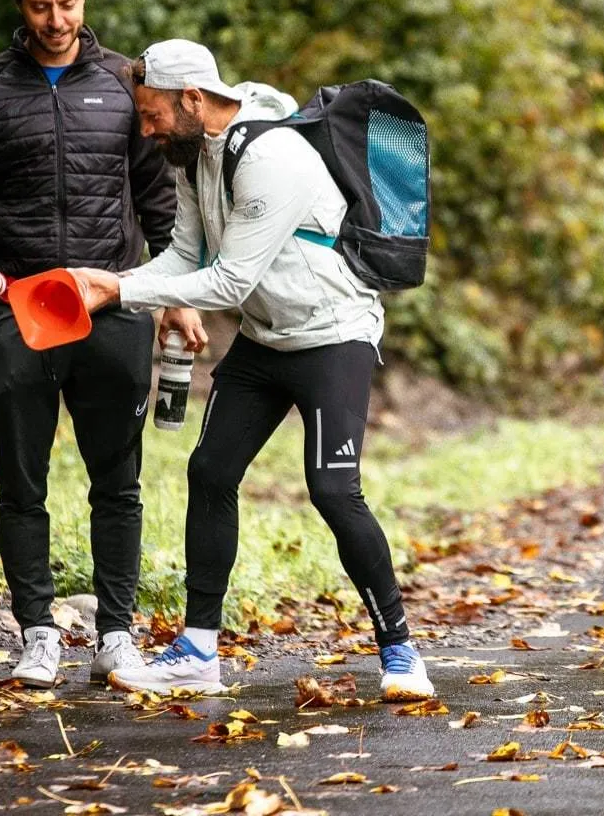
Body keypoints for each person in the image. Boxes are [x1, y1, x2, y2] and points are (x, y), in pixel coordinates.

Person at [64, 39, 433, 701]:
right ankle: (199, 650)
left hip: (331, 337)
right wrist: (112, 282)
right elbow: (184, 256)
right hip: (266, 341)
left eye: (152, 116)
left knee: (333, 491)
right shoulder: (193, 154)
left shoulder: (272, 156)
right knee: (209, 470)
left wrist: (119, 293)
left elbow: (230, 281)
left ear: (193, 99)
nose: (145, 132)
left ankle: (401, 652)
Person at [0, 0, 201, 687]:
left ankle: (117, 637)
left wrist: (174, 295)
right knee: (22, 481)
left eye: (69, 3)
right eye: (42, 6)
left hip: (111, 300)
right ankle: (38, 633)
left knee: (118, 480)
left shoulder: (123, 84)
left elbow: (158, 201)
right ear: (20, 2)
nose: (57, 19)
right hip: (17, 302)